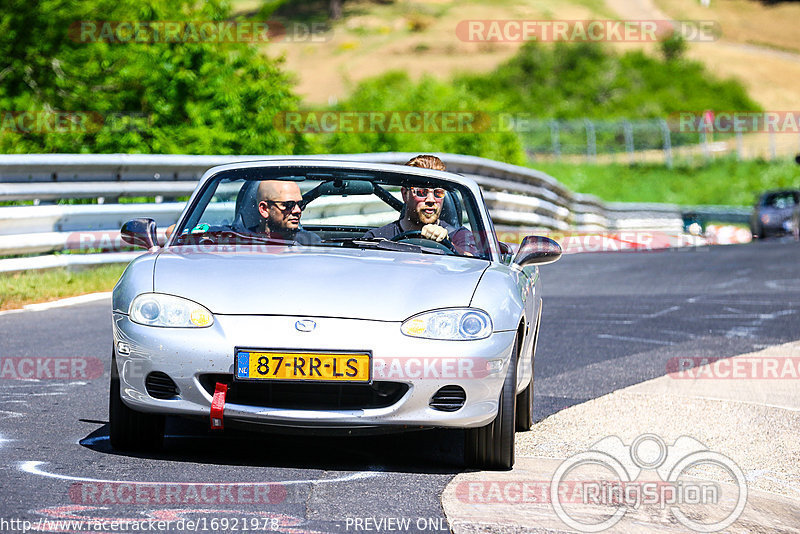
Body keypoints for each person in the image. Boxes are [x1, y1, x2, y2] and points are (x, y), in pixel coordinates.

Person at [363, 155, 478, 256]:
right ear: (405, 194)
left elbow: (474, 263)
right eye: (421, 192)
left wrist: (447, 244)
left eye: (438, 193)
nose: (431, 200)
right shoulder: (378, 238)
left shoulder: (460, 236)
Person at [256, 179, 320, 244]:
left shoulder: (310, 241)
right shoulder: (247, 242)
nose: (298, 210)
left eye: (300, 204)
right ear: (264, 209)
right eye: (288, 205)